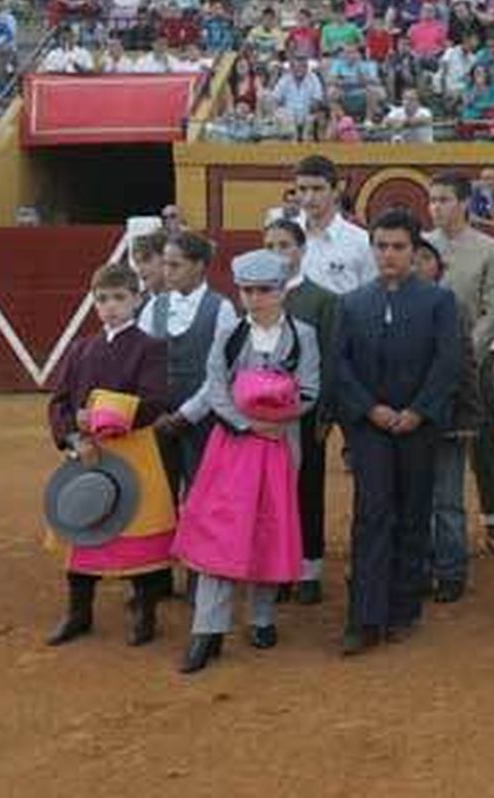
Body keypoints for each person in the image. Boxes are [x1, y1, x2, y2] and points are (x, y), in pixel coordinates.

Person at [172, 250, 320, 674]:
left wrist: (280, 416)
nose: (254, 299)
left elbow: (310, 390)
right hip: (235, 445)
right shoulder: (230, 335)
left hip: (278, 447)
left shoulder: (303, 335)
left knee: (268, 527)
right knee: (222, 529)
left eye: (263, 291)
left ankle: (261, 617)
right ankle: (207, 629)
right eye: (247, 291)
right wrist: (249, 423)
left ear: (281, 291)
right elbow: (217, 390)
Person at [335, 210, 462, 654]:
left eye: (398, 247)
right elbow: (340, 366)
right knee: (372, 514)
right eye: (381, 246)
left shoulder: (438, 301)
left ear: (414, 251)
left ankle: (403, 607)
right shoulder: (351, 304)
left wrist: (418, 410)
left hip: (417, 425)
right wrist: (370, 409)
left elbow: (448, 363)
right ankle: (365, 615)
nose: (388, 255)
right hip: (370, 426)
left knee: (413, 512)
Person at [44, 263, 173, 647]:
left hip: (132, 450)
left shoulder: (151, 347)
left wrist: (100, 414)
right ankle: (79, 613)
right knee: (82, 531)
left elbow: (154, 403)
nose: (111, 306)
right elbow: (59, 402)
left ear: (137, 299)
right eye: (102, 299)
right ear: (94, 303)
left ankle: (145, 614)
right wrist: (72, 437)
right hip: (88, 453)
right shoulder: (81, 348)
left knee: (138, 539)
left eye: (119, 298)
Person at [425, 173, 494, 558]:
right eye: (432, 200)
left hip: (472, 363)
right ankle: (432, 526)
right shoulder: (422, 245)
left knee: (482, 444)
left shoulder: (488, 247)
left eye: (444, 199)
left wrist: (464, 353)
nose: (437, 207)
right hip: (425, 362)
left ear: (464, 203)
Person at [261, 219, 338, 604]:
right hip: (261, 415)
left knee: (307, 487)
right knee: (269, 491)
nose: (277, 253)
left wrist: (325, 414)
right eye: (270, 245)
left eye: (285, 245)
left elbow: (330, 361)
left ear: (302, 250)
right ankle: (277, 567)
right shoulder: (255, 297)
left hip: (305, 412)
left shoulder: (321, 300)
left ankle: (308, 567)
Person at [407, 236, 483, 603]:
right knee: (414, 498)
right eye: (415, 257)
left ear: (438, 267)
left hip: (448, 418)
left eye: (427, 258)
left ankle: (451, 570)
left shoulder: (452, 305)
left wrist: (468, 414)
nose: (419, 264)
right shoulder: (396, 302)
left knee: (448, 500)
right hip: (409, 421)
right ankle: (420, 567)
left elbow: (464, 366)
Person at [142, 231, 238, 503]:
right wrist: (156, 411)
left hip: (205, 417)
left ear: (198, 266)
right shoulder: (153, 306)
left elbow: (221, 373)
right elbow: (143, 365)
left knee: (204, 492)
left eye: (175, 265)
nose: (167, 272)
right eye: (165, 264)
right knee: (160, 495)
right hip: (158, 417)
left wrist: (187, 414)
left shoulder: (222, 309)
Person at [294, 155, 376, 294]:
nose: (309, 198)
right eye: (302, 189)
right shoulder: (283, 237)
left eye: (317, 189)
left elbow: (371, 298)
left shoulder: (361, 241)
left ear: (336, 191)